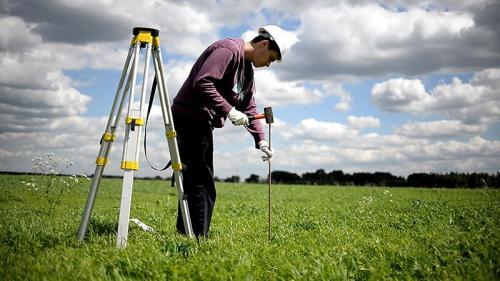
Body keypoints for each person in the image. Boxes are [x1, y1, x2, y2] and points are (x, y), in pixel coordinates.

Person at [171, 25, 298, 237]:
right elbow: (202, 82)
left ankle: (187, 233)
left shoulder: (246, 71)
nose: (268, 64)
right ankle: (196, 239)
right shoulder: (228, 50)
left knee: (196, 179)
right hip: (188, 117)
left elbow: (249, 107)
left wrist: (261, 141)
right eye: (271, 58)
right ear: (264, 44)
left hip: (202, 122)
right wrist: (229, 110)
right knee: (202, 182)